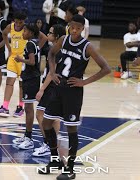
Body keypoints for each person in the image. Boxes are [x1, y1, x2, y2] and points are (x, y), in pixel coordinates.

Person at [38, 14, 111, 179]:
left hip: (73, 92)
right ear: (69, 26)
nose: (75, 31)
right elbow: (51, 54)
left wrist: (84, 82)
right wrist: (52, 71)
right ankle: (55, 159)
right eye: (73, 27)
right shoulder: (63, 39)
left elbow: (106, 69)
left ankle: (70, 169)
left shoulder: (87, 46)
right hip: (58, 88)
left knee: (71, 128)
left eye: (78, 28)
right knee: (46, 122)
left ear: (82, 29)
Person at [0, 12, 48, 117]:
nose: (18, 24)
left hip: (23, 60)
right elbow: (4, 34)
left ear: (25, 20)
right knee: (9, 82)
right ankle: (5, 107)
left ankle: (20, 107)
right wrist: (9, 48)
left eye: (21, 22)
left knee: (22, 84)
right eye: (17, 22)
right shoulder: (11, 26)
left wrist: (36, 49)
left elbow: (44, 38)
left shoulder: (28, 29)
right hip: (13, 58)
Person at [33, 24, 66, 157]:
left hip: (52, 86)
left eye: (51, 32)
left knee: (40, 114)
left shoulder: (57, 50)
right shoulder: (56, 48)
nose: (48, 34)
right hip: (56, 86)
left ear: (57, 36)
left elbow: (51, 73)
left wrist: (41, 89)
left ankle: (48, 144)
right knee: (55, 118)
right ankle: (52, 144)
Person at [11, 23, 41, 149]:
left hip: (31, 79)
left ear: (31, 33)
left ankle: (29, 138)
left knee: (29, 109)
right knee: (28, 108)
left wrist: (20, 60)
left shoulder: (30, 44)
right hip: (30, 78)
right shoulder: (34, 43)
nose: (23, 33)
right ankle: (27, 135)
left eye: (25, 31)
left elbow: (32, 62)